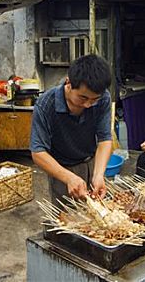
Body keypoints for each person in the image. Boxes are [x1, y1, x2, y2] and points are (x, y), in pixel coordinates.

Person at [30, 54, 113, 203]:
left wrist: (99, 174)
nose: (88, 104)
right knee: (66, 217)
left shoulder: (103, 97)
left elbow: (104, 138)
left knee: (97, 216)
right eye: (83, 98)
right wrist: (68, 177)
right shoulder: (45, 105)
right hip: (62, 168)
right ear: (68, 83)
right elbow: (38, 153)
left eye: (94, 100)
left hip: (91, 161)